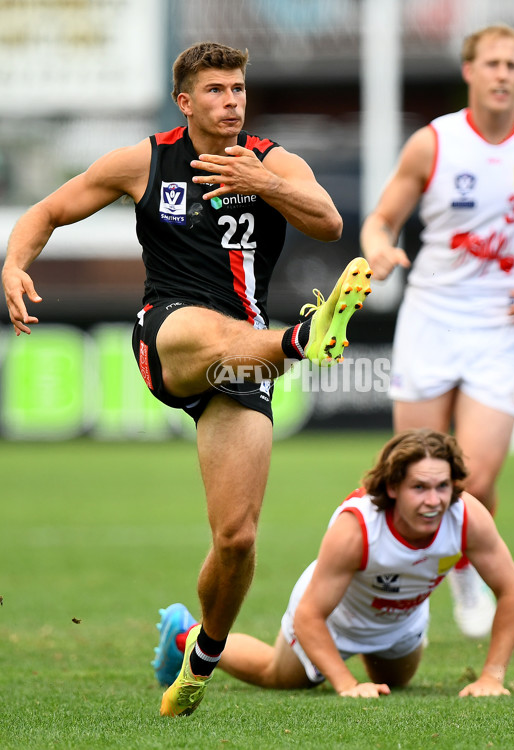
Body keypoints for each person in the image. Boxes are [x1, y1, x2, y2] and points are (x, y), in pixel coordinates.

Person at [1, 41, 373, 717]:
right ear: (185, 100)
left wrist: (266, 185)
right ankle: (303, 339)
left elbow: (329, 221)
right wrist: (13, 264)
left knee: (236, 540)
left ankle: (198, 657)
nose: (231, 101)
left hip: (242, 360)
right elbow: (45, 213)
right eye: (216, 91)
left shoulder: (272, 159)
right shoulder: (143, 161)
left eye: (237, 89)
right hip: (170, 336)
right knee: (199, 325)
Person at [359, 24, 514, 639]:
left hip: (503, 324)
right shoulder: (434, 144)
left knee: (477, 479)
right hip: (432, 316)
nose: (502, 74)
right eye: (491, 63)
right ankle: (402, 589)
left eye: (513, 64)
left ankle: (462, 573)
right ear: (469, 71)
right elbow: (380, 219)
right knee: (409, 471)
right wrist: (379, 251)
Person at [153, 429, 514, 701]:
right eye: (419, 488)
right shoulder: (357, 528)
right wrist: (346, 684)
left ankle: (375, 656)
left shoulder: (467, 517)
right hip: (330, 618)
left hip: (401, 621)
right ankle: (186, 634)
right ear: (394, 487)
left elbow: (512, 592)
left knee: (395, 685)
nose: (434, 501)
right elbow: (310, 614)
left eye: (442, 487)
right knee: (279, 676)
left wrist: (492, 677)